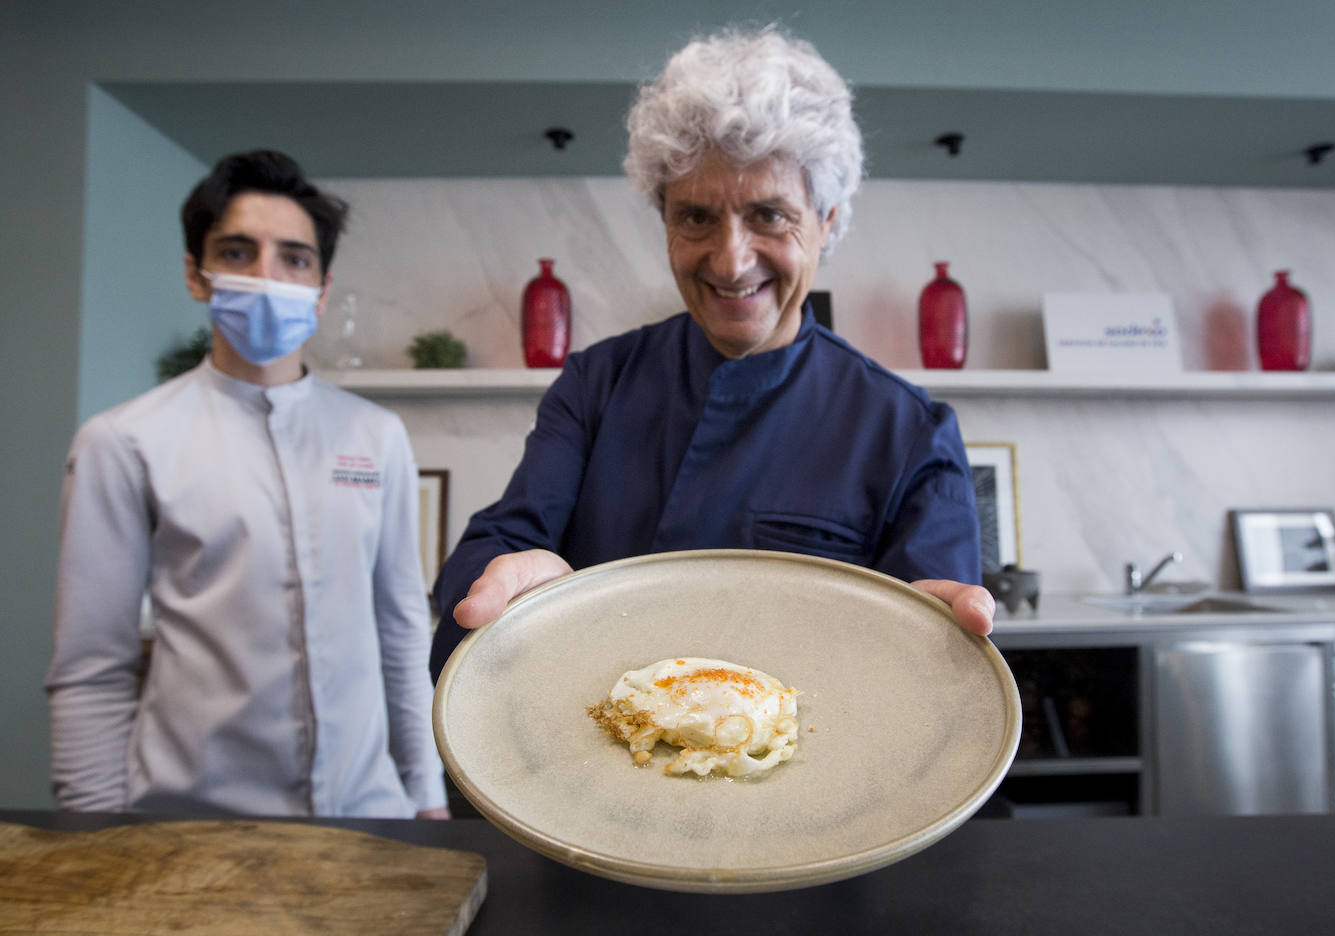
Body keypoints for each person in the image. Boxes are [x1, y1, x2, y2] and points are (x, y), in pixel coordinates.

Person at [430, 27, 995, 682]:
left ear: (827, 222)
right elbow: (500, 544)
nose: (731, 262)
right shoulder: (597, 384)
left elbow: (926, 696)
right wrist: (503, 587)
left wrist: (931, 658)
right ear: (664, 220)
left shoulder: (909, 434)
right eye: (696, 217)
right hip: (592, 761)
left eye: (769, 215)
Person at [47, 150, 449, 819]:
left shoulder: (375, 437)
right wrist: (92, 834)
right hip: (193, 826)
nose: (268, 276)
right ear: (197, 275)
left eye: (294, 258)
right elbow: (93, 668)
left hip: (369, 817)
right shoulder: (124, 442)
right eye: (238, 253)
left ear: (321, 290)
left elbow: (402, 630)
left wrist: (426, 794)